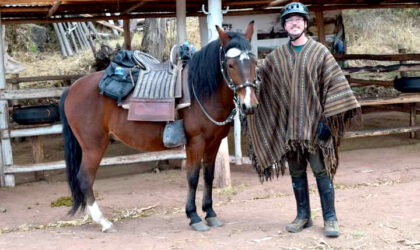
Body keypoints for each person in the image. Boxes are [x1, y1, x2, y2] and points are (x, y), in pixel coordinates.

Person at [247, 2, 360, 237]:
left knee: (322, 173)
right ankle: (303, 216)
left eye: (298, 19)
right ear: (285, 26)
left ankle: (330, 218)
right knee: (297, 174)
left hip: (315, 128)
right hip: (290, 132)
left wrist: (327, 122)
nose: (294, 23)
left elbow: (336, 86)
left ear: (305, 24)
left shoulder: (320, 53)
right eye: (289, 21)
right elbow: (257, 75)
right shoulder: (277, 56)